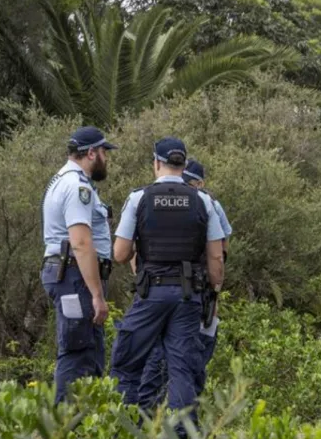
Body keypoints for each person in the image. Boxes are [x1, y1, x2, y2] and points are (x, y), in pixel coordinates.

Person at [109, 138, 225, 428]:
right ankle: (182, 433)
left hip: (150, 294)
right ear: (184, 165)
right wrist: (213, 292)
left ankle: (126, 429)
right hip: (189, 296)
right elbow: (216, 258)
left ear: (156, 162)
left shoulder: (139, 198)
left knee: (127, 362)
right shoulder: (204, 200)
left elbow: (120, 254)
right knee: (182, 369)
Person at [137, 159, 232, 408]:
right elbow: (221, 254)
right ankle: (178, 421)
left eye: (190, 180)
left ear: (200, 182)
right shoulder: (207, 204)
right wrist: (214, 289)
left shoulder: (152, 199)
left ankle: (153, 418)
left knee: (179, 360)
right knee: (184, 361)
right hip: (193, 293)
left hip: (173, 291)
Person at [39, 125, 117, 404]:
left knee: (90, 353)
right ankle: (64, 426)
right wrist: (97, 295)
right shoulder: (77, 186)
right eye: (105, 153)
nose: (106, 159)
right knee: (77, 353)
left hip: (70, 273)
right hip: (74, 276)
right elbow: (81, 242)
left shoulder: (62, 180)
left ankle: (85, 425)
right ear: (92, 153)